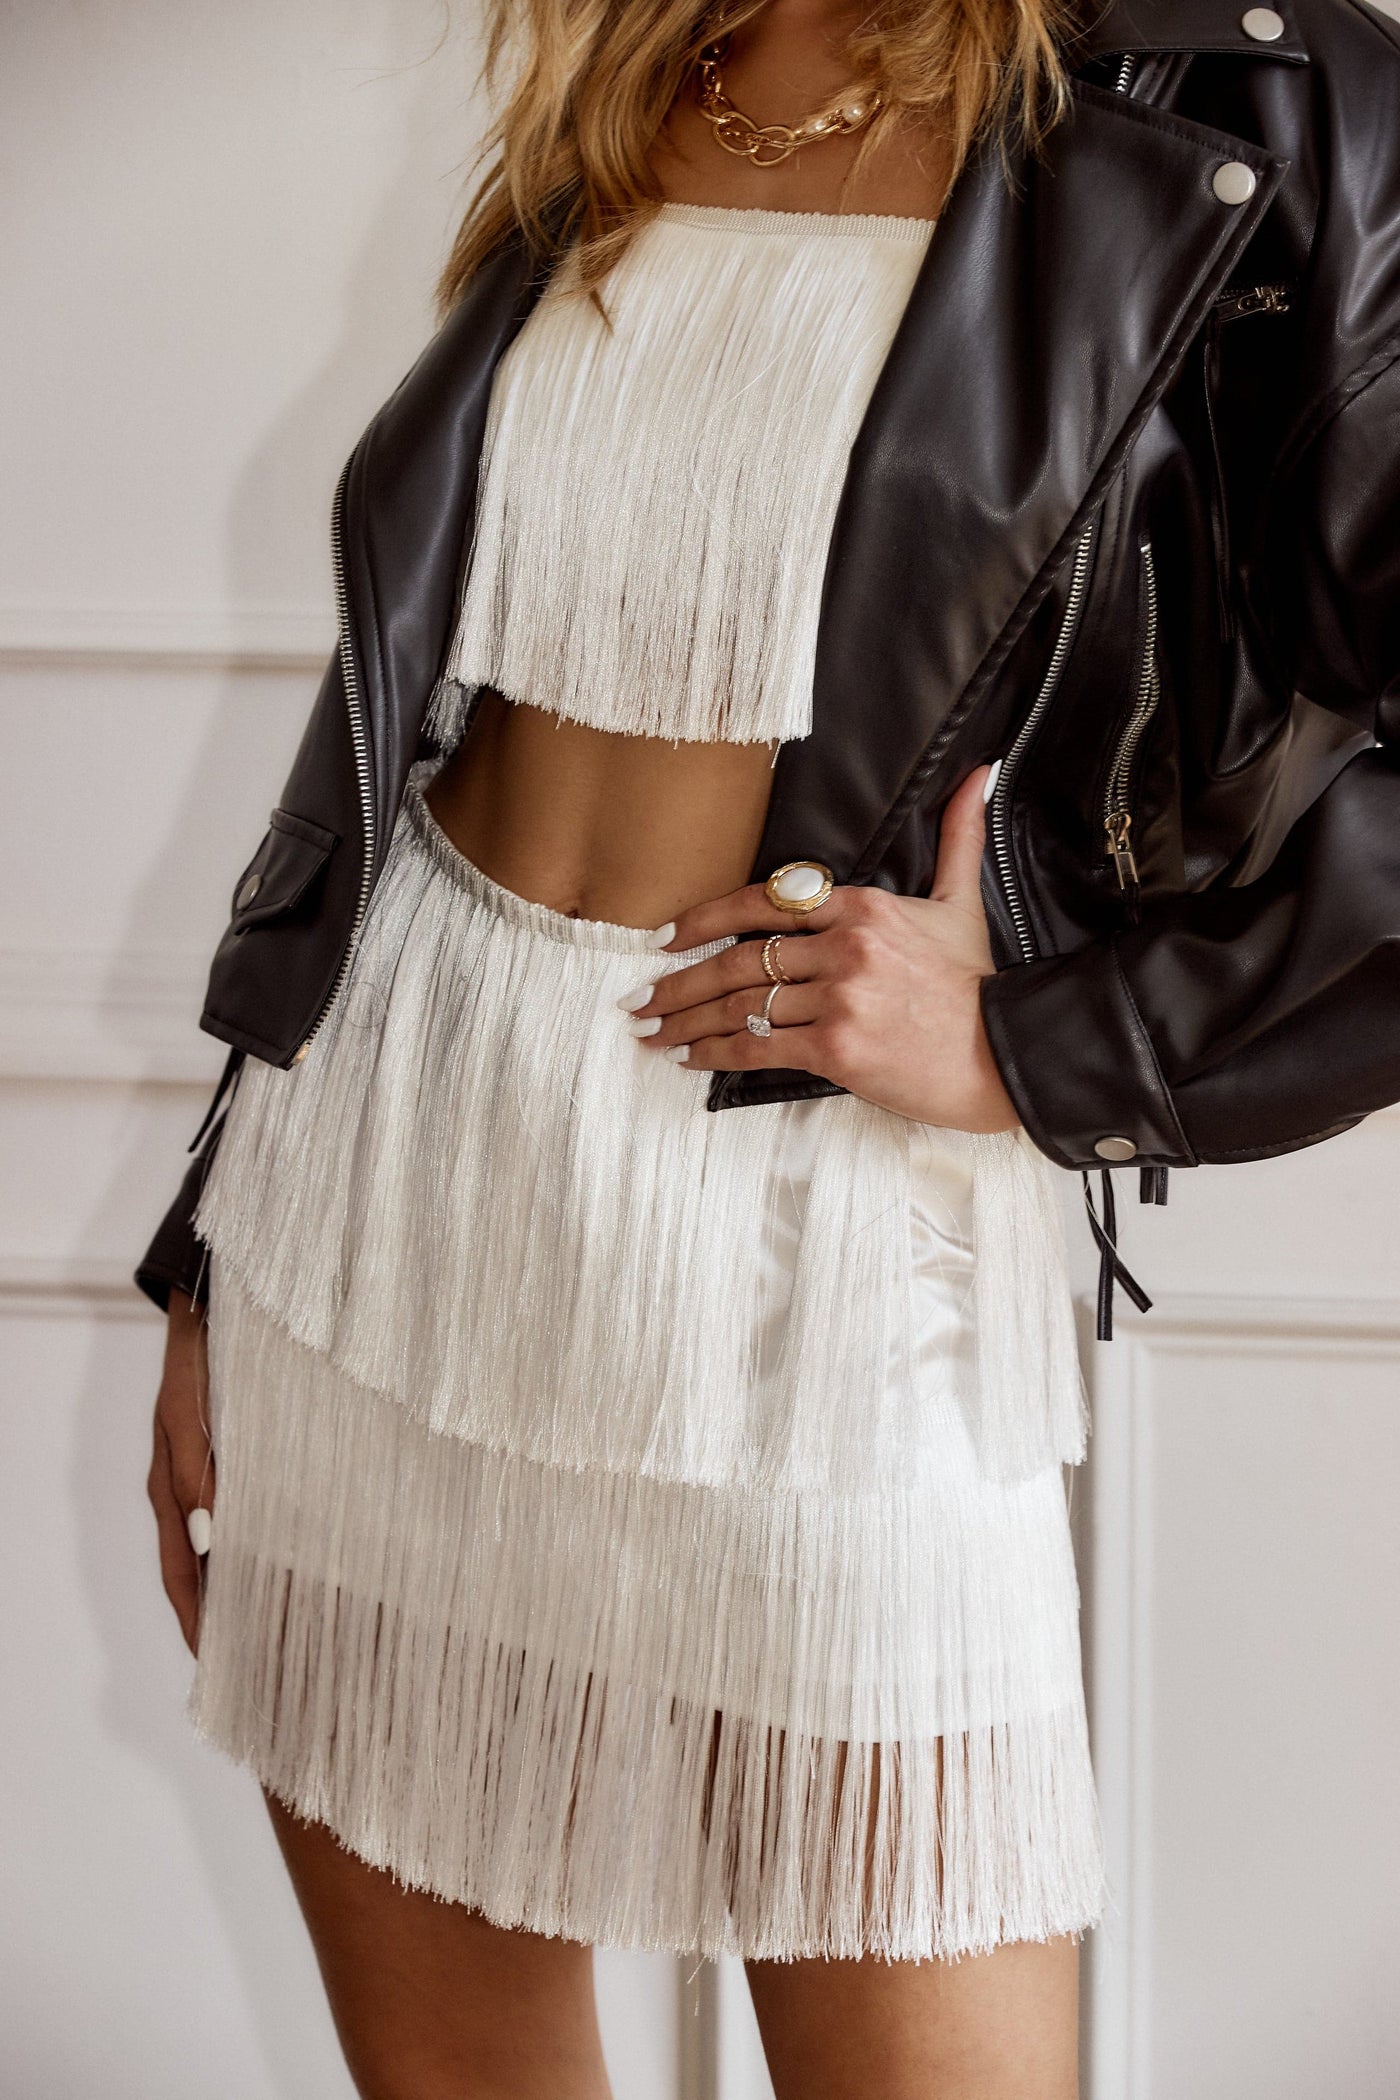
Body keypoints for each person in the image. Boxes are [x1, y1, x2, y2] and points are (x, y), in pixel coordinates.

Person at [139, 0, 1400, 2093]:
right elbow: (412, 704)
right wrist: (211, 1246)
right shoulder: (637, 68)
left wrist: (1044, 1047)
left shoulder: (1261, 96)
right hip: (386, 1183)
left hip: (831, 1252)